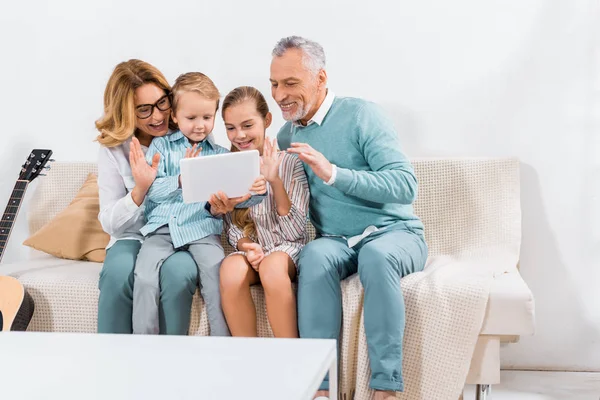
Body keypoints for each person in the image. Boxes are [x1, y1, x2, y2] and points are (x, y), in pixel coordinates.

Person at [271, 37, 429, 400]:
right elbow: (283, 201)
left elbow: (405, 185)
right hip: (337, 241)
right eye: (275, 84)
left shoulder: (362, 115)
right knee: (314, 255)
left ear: (321, 78)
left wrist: (333, 173)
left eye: (291, 83)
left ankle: (386, 388)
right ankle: (320, 387)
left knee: (376, 257)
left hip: (394, 233)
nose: (280, 94)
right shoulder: (286, 134)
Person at [131, 73, 266, 335]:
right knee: (145, 278)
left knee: (217, 281)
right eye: (191, 118)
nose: (200, 126)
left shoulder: (221, 156)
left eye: (207, 117)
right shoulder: (161, 147)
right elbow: (151, 190)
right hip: (161, 228)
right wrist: (181, 178)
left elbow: (240, 196)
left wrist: (257, 191)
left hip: (202, 230)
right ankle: (144, 346)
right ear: (175, 117)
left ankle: (221, 348)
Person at [95, 59, 199, 335]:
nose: (158, 116)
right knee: (118, 275)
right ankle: (113, 364)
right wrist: (140, 191)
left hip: (177, 235)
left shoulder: (188, 133)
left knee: (177, 274)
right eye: (144, 110)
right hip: (132, 237)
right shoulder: (114, 150)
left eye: (162, 103)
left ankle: (169, 366)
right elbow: (110, 223)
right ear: (126, 112)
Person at [217, 86, 309, 338]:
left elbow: (295, 231)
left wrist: (275, 181)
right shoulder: (228, 166)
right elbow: (232, 227)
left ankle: (289, 355)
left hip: (287, 251)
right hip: (254, 251)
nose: (239, 135)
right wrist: (248, 246)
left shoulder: (290, 162)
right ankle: (248, 358)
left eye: (248, 125)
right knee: (229, 269)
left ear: (267, 120)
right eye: (231, 128)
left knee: (271, 266)